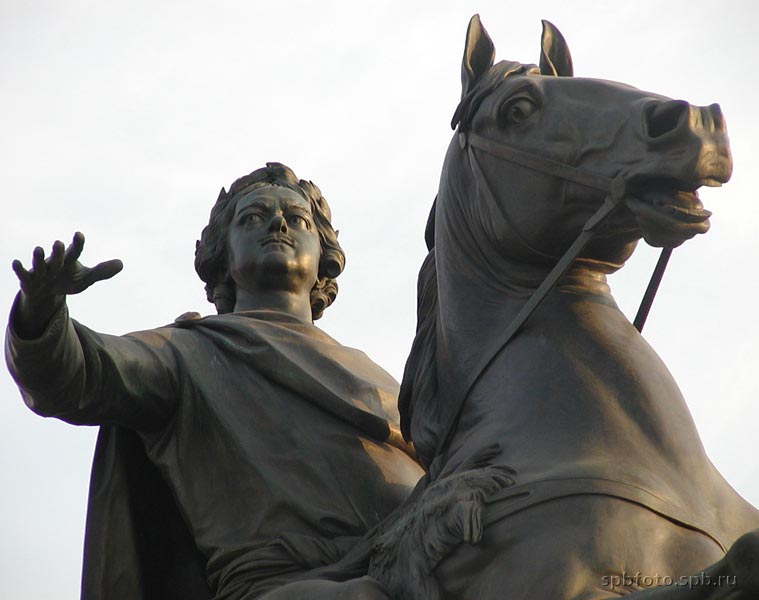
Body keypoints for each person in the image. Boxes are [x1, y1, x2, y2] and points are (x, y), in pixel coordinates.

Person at [6, 162, 423, 600]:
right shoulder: (186, 353)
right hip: (286, 584)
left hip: (410, 560)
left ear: (324, 253)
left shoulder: (381, 379)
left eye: (297, 219)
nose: (278, 224)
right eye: (253, 217)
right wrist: (41, 310)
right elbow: (77, 374)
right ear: (222, 255)